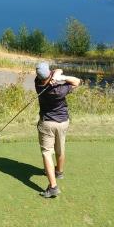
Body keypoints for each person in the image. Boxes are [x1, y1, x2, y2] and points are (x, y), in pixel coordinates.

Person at [35, 61, 81, 198]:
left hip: (47, 124)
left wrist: (55, 76)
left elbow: (58, 70)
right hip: (62, 122)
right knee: (60, 149)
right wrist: (61, 78)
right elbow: (77, 81)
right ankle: (58, 174)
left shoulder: (38, 83)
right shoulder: (61, 90)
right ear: (49, 73)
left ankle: (54, 185)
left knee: (47, 153)